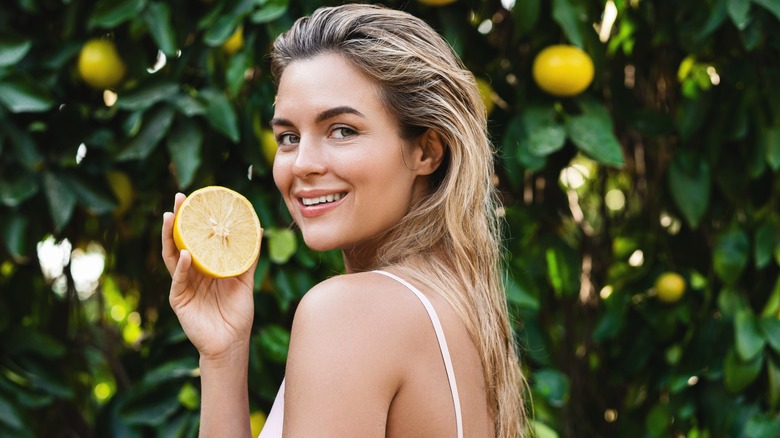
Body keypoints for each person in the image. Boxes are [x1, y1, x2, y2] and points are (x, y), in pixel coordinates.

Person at [161, 3, 530, 437]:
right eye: (288, 137)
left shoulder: (350, 311)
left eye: (342, 131)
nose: (303, 164)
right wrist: (224, 354)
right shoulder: (464, 314)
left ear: (426, 151)